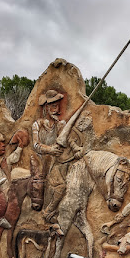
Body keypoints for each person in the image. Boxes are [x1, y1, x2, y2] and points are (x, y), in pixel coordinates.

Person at [31, 89, 85, 225]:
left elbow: (68, 139)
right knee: (59, 186)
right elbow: (36, 145)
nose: (57, 109)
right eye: (54, 106)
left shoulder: (60, 124)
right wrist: (50, 149)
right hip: (41, 161)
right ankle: (48, 213)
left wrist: (75, 148)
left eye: (58, 105)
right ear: (47, 107)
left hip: (57, 161)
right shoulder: (37, 125)